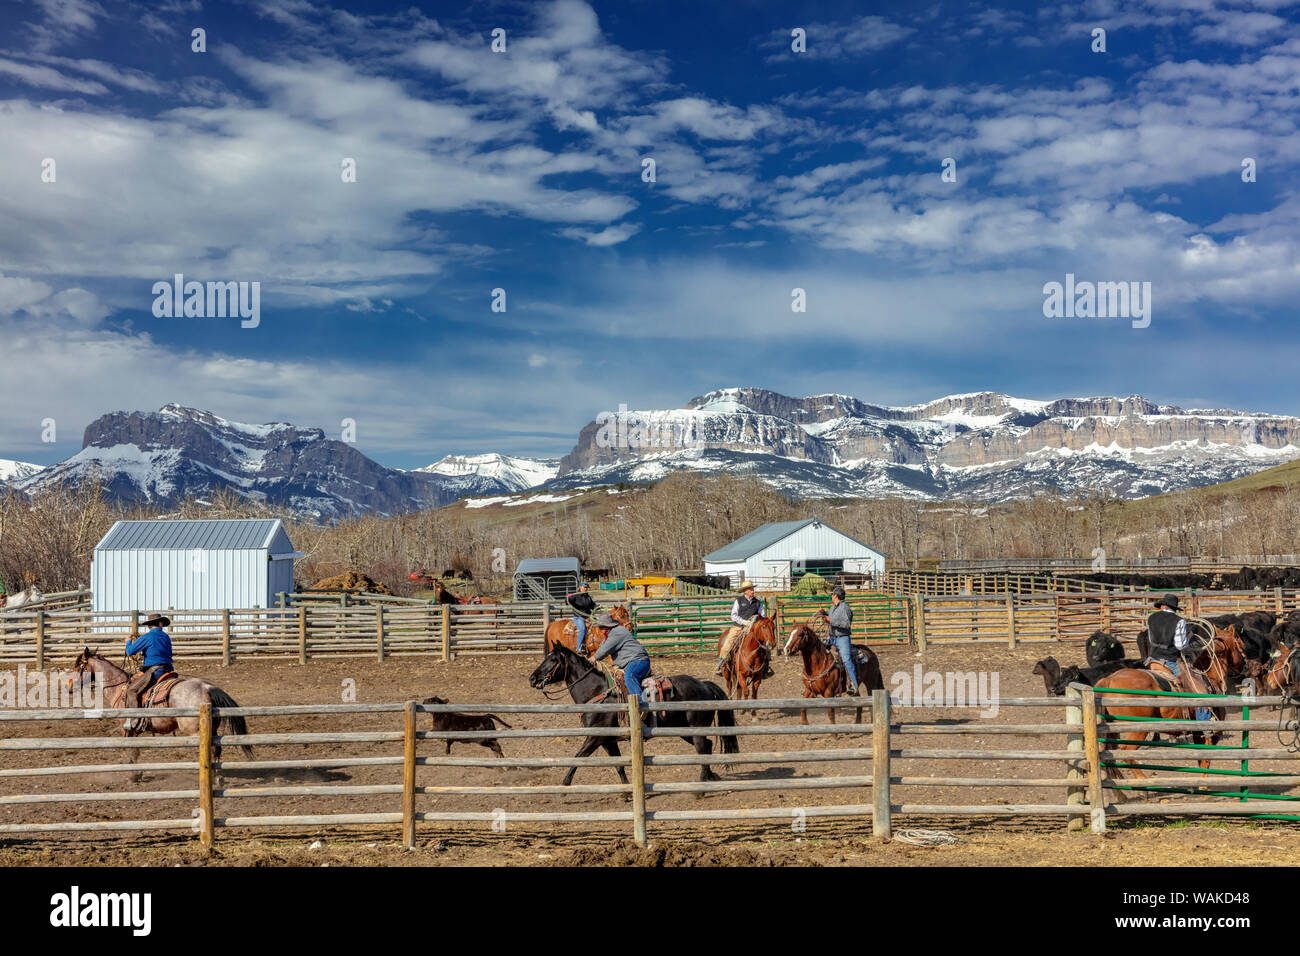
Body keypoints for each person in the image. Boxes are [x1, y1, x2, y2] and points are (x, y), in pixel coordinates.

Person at [1145, 594, 1214, 722]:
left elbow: (1150, 639)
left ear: (1163, 606)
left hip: (1153, 660)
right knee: (1198, 687)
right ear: (1173, 608)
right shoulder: (1179, 621)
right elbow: (1180, 645)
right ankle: (1205, 723)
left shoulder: (1151, 618)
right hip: (1170, 661)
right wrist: (1189, 636)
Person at [590, 610, 653, 715]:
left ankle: (640, 706)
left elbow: (604, 650)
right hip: (632, 661)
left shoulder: (617, 632)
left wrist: (594, 658)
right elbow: (603, 647)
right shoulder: (610, 635)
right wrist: (595, 657)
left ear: (606, 627)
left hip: (638, 660)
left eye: (601, 627)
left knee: (630, 676)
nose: (599, 630)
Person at [123, 614, 175, 732]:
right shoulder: (166, 637)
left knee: (131, 690)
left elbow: (130, 651)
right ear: (160, 623)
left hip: (155, 671)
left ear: (149, 625)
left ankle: (134, 720)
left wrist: (128, 642)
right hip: (169, 670)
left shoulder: (147, 637)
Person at [716, 581, 766, 675]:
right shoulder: (738, 600)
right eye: (750, 589)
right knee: (727, 644)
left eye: (752, 589)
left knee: (765, 645)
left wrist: (756, 623)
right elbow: (733, 615)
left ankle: (765, 666)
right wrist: (744, 622)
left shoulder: (758, 603)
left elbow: (763, 616)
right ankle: (721, 664)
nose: (752, 591)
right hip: (738, 627)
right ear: (745, 591)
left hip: (752, 629)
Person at [823, 586, 858, 694]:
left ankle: (853, 685)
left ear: (836, 596)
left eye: (832, 594)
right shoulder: (832, 608)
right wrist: (824, 615)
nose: (831, 596)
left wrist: (831, 621)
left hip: (842, 638)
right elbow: (830, 620)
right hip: (832, 637)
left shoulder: (845, 608)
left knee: (846, 659)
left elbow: (846, 624)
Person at [565, 581, 598, 652]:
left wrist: (598, 607)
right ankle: (578, 647)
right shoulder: (575, 596)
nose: (586, 589)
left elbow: (593, 605)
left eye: (587, 587)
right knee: (582, 629)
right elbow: (567, 602)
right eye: (584, 587)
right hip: (579, 617)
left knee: (597, 626)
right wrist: (568, 598)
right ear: (580, 587)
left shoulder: (587, 596)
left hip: (588, 616)